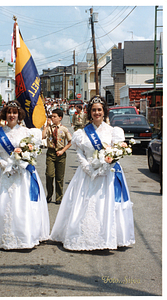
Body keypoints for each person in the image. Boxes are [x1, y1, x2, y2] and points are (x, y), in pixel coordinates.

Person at [50, 95, 135, 251]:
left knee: (105, 205)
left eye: (99, 110)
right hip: (87, 173)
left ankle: (106, 238)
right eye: (94, 110)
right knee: (85, 204)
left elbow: (116, 152)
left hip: (107, 173)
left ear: (104, 112)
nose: (97, 113)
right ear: (90, 112)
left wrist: (105, 167)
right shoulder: (82, 133)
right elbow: (80, 153)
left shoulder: (113, 131)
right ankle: (82, 236)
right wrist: (87, 168)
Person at [0, 100, 50, 250]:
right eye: (9, 112)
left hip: (22, 173)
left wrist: (24, 160)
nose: (12, 115)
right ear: (5, 115)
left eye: (14, 112)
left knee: (23, 205)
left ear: (19, 114)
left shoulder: (28, 132)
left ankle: (25, 235)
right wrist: (5, 164)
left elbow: (34, 151)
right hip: (3, 172)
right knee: (1, 205)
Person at [42, 109, 72, 205]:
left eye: (54, 116)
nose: (52, 118)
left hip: (61, 153)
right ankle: (49, 194)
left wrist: (63, 150)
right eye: (51, 116)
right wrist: (46, 126)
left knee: (60, 177)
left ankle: (59, 197)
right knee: (49, 175)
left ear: (60, 118)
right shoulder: (48, 128)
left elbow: (70, 142)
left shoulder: (64, 129)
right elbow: (42, 137)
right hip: (51, 152)